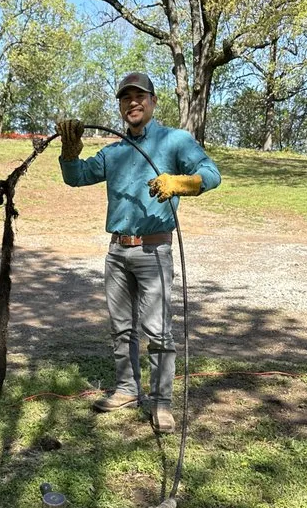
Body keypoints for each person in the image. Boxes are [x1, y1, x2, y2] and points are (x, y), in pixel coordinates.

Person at [55, 72, 221, 434]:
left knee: (158, 331)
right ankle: (128, 389)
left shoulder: (174, 141)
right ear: (119, 106)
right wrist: (69, 153)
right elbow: (77, 176)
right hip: (117, 251)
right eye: (125, 98)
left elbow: (211, 173)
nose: (133, 103)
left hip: (154, 250)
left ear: (153, 101)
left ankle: (162, 403)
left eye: (139, 96)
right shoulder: (114, 151)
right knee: (121, 329)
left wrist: (184, 182)